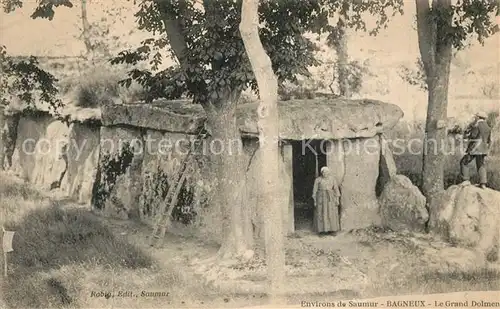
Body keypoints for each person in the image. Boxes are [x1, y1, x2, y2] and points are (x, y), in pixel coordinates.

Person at [460, 111, 492, 189]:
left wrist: (467, 137)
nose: (475, 118)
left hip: (475, 148)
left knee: (464, 162)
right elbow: (489, 140)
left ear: (478, 117)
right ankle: (483, 183)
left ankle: (466, 180)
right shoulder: (488, 127)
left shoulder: (476, 125)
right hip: (484, 149)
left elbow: (473, 137)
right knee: (481, 165)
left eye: (475, 117)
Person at [312, 166, 341, 235]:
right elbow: (314, 190)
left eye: (327, 172)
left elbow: (336, 189)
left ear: (329, 172)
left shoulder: (333, 179)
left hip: (330, 198)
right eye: (324, 172)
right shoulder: (318, 180)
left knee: (331, 213)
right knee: (321, 213)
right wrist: (315, 200)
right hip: (321, 198)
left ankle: (332, 230)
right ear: (322, 173)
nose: (325, 174)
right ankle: (321, 231)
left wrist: (337, 199)